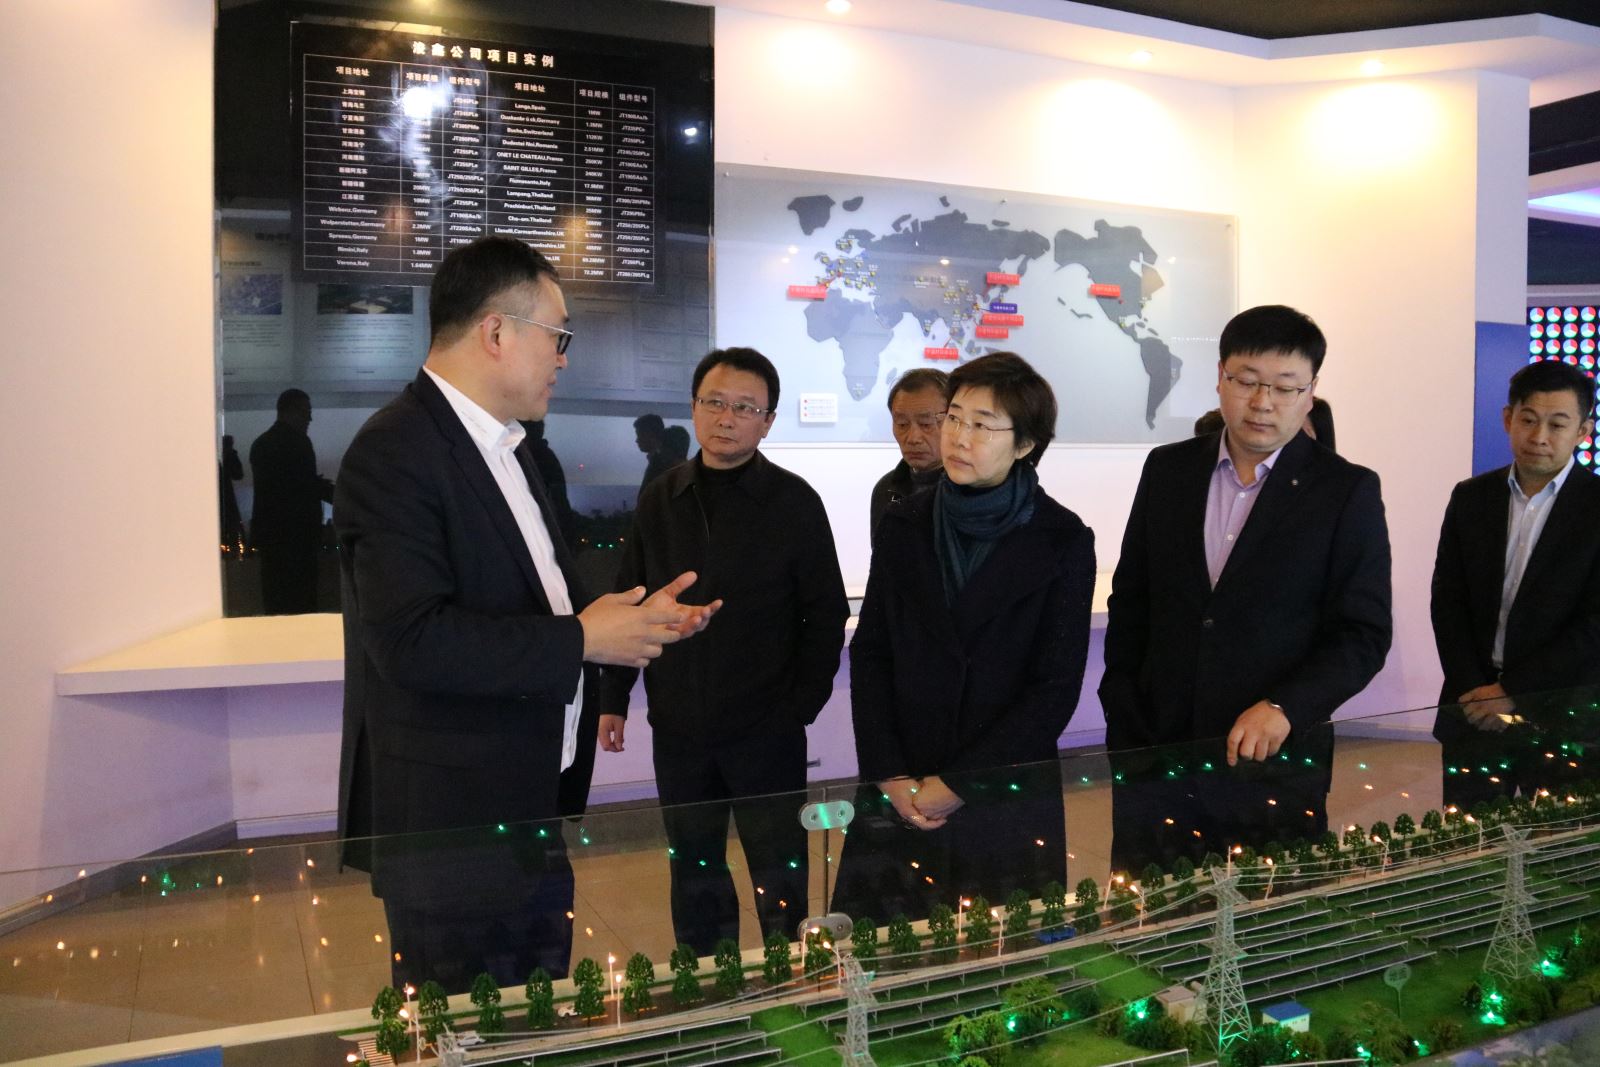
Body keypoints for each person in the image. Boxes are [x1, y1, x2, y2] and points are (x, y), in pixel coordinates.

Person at [334, 236, 716, 992]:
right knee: (465, 1029)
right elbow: (410, 641)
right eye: (557, 335)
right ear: (496, 331)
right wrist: (582, 638)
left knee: (535, 1016)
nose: (563, 359)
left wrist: (621, 621)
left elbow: (533, 603)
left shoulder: (517, 450)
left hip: (531, 804)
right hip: (453, 831)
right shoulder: (395, 450)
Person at [1100, 305, 1391, 873]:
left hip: (1271, 760)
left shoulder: (1345, 490)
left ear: (1310, 392)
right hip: (1154, 751)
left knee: (1266, 913)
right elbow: (1132, 598)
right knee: (1150, 907)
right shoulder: (1168, 469)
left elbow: (1363, 634)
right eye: (1247, 381)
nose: (1262, 402)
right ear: (1220, 378)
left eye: (1285, 387)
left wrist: (1286, 707)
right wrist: (1123, 705)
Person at [596, 347, 849, 955]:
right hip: (679, 725)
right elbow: (631, 598)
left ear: (768, 421)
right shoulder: (661, 496)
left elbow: (826, 612)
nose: (726, 418)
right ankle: (708, 981)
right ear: (693, 407)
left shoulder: (794, 501)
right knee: (693, 866)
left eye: (745, 408)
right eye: (714, 402)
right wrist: (613, 698)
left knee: (778, 867)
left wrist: (800, 706)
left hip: (767, 725)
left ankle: (788, 974)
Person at [831, 352, 1094, 924]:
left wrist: (959, 783)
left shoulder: (1062, 539)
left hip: (1001, 787)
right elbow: (872, 652)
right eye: (954, 417)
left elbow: (1053, 687)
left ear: (1025, 444)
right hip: (902, 779)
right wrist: (888, 771)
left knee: (998, 947)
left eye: (982, 424)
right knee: (885, 944)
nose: (957, 436)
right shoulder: (905, 522)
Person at [1431, 359, 1600, 805]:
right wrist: (1475, 691)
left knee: (1560, 841)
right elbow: (1447, 602)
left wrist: (1511, 694)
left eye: (1557, 424)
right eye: (1528, 419)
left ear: (1583, 431)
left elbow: (1593, 626)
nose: (1539, 436)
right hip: (1472, 710)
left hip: (1563, 713)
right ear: (1508, 419)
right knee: (1470, 838)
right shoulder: (1471, 497)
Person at [248, 388, 333, 614]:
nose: (309, 418)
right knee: (302, 602)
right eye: (306, 412)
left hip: (272, 540)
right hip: (299, 539)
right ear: (291, 411)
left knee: (276, 603)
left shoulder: (261, 444)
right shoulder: (299, 443)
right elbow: (303, 486)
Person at [870, 368, 949, 538]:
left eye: (926, 424)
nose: (913, 438)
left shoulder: (971, 492)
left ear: (954, 421)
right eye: (902, 424)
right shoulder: (886, 489)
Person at [634, 412, 675, 498]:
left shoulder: (661, 464)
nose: (637, 440)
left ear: (650, 435)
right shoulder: (659, 461)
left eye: (639, 435)